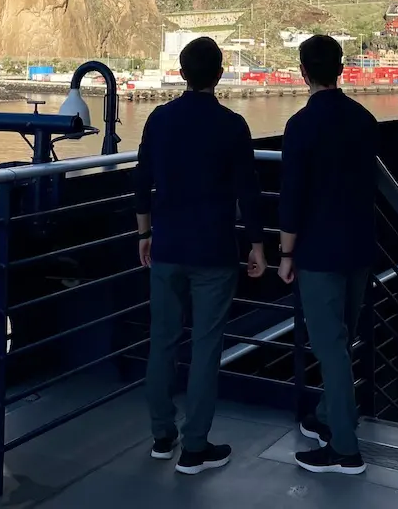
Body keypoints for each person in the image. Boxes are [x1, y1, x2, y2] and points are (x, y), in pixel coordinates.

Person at [132, 36, 266, 475]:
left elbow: (141, 180)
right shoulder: (232, 125)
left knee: (162, 342)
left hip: (167, 246)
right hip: (214, 251)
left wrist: (144, 234)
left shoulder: (159, 119)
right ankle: (195, 447)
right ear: (220, 73)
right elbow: (249, 192)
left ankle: (160, 435)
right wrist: (257, 246)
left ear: (182, 73)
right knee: (206, 348)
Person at [277, 34, 378, 475]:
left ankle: (345, 448)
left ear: (304, 72)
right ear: (341, 69)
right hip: (359, 247)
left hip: (318, 253)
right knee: (342, 341)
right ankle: (326, 416)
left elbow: (292, 195)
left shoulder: (300, 126)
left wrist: (285, 252)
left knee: (329, 348)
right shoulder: (364, 120)